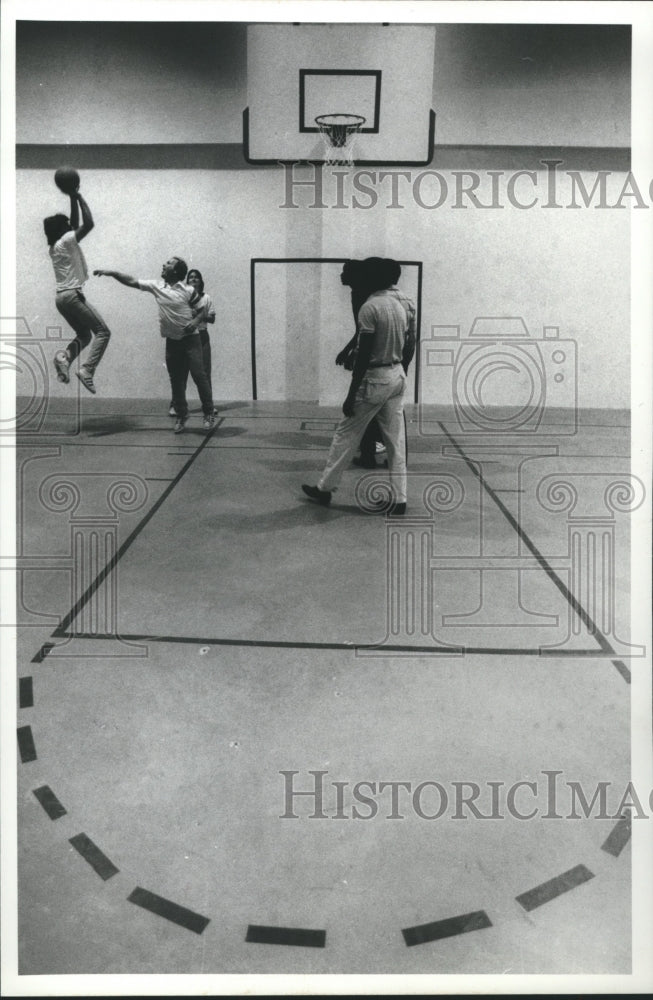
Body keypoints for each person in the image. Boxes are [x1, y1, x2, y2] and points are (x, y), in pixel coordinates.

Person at [302, 257, 416, 515]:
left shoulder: (370, 307)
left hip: (375, 379)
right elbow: (409, 344)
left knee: (345, 434)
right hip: (397, 376)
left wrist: (351, 394)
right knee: (395, 442)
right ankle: (400, 499)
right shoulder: (400, 306)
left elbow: (363, 356)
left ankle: (324, 489)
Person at [94, 258, 215, 432]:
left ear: (176, 271)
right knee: (177, 381)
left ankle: (208, 412)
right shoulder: (157, 286)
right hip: (172, 342)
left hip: (191, 341)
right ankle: (181, 416)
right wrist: (112, 273)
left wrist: (195, 322)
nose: (164, 265)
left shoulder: (188, 290)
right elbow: (132, 281)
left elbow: (203, 310)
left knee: (199, 375)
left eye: (168, 263)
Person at [44, 187, 111, 394]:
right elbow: (88, 223)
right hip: (72, 295)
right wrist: (79, 197)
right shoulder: (66, 241)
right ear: (63, 229)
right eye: (67, 226)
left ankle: (65, 357)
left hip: (61, 299)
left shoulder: (56, 245)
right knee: (103, 332)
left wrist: (72, 198)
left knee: (84, 335)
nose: (70, 227)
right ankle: (87, 370)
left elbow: (72, 223)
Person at [335, 260, 384, 469]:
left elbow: (364, 331)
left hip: (374, 357)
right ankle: (368, 451)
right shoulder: (359, 293)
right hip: (377, 356)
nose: (341, 275)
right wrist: (348, 350)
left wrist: (350, 351)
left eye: (345, 271)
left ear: (355, 276)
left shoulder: (361, 296)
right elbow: (361, 330)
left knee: (361, 403)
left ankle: (368, 452)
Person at [167, 268, 217, 417]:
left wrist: (199, 316)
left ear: (201, 281)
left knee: (204, 373)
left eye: (196, 277)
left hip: (202, 337)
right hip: (186, 337)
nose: (193, 280)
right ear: (186, 282)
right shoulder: (182, 297)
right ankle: (176, 406)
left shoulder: (207, 298)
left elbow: (212, 319)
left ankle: (208, 406)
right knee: (180, 374)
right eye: (191, 278)